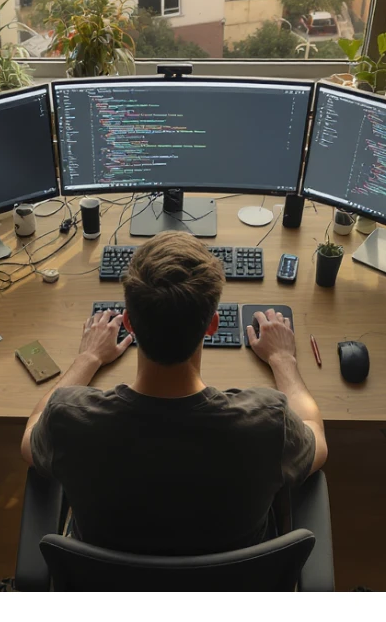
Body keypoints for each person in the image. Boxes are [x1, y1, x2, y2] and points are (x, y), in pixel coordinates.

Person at [20, 231, 328, 556]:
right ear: (212, 326)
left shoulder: (68, 417)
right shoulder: (268, 422)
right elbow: (317, 440)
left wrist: (88, 358)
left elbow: (30, 438)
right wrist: (283, 360)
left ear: (129, 324)